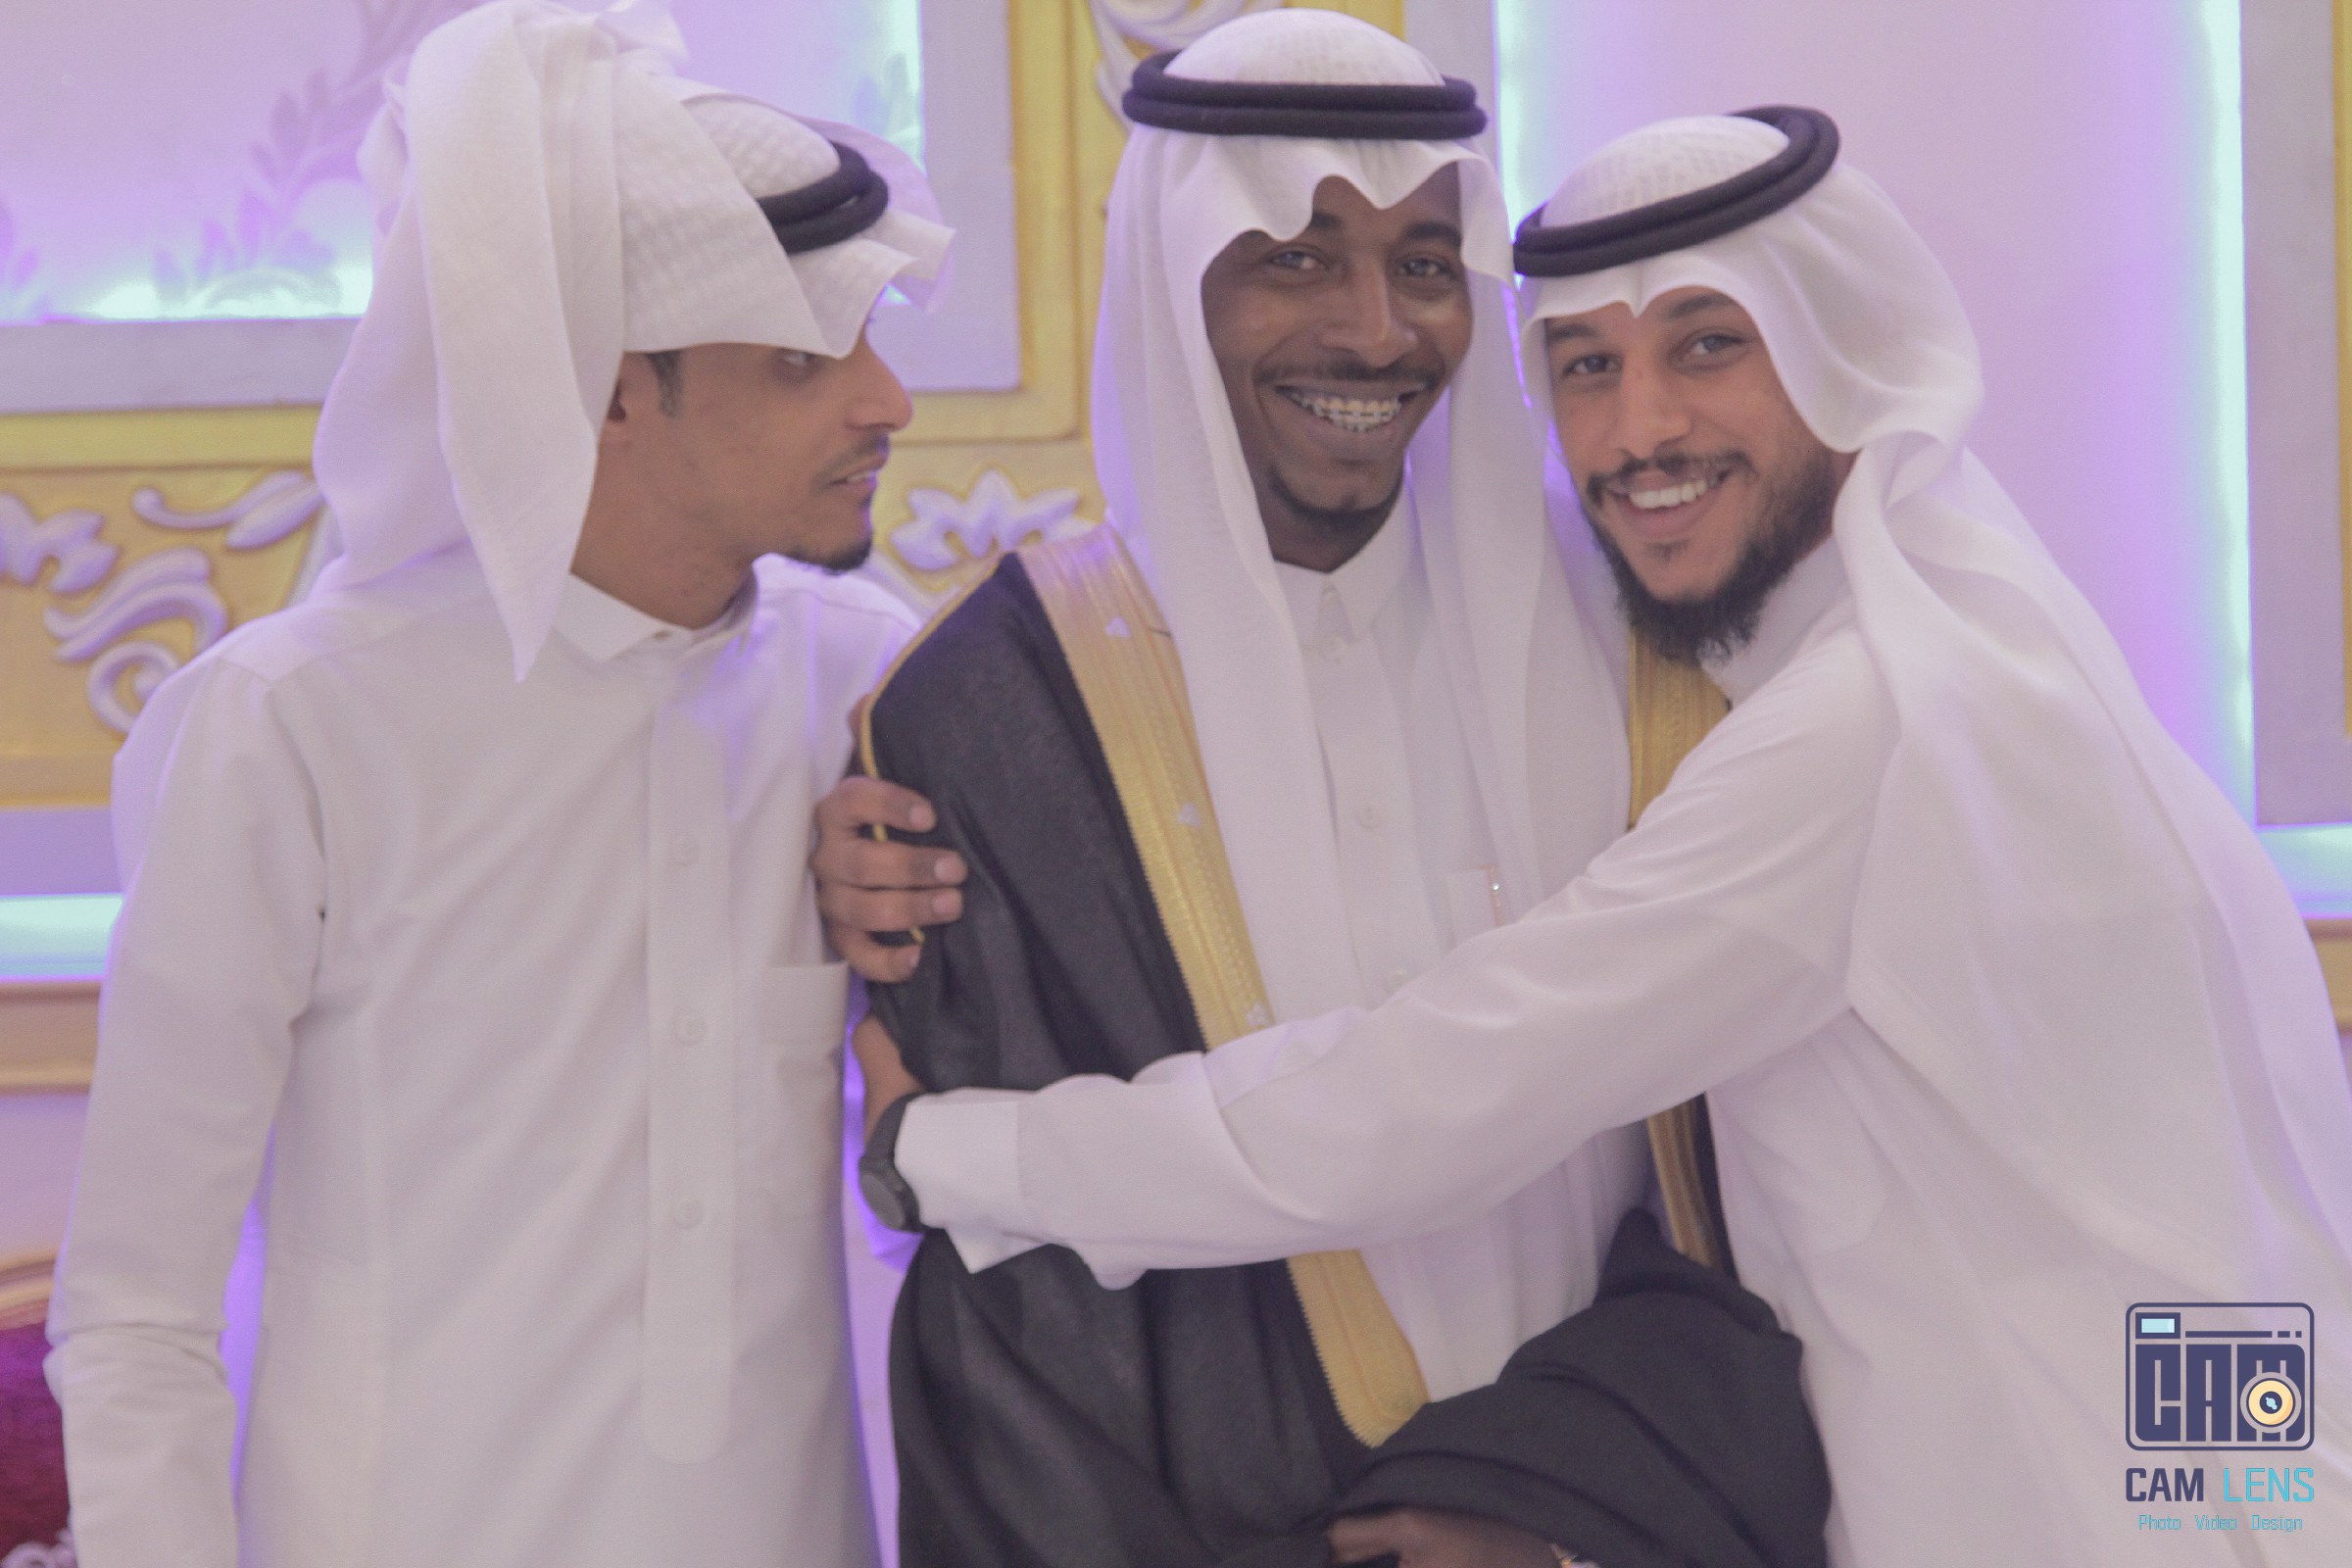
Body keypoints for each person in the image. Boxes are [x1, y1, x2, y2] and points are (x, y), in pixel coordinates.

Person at [857, 107, 2352, 1565]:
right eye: (1584, 365)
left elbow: (1428, 1100)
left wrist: (953, 1153)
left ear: (1848, 353)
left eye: (1709, 346)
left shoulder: (1869, 725)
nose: (1639, 432)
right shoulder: (1985, 643)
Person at [821, 14, 1825, 1568]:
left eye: (1426, 263)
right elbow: (1015, 1347)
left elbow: (1749, 1180)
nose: (1377, 331)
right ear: (1176, 284)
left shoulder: (1650, 635)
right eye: (1294, 258)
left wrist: (1570, 1513)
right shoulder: (989, 711)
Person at [43, 3, 949, 1564]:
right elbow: (137, 1311)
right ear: (608, 388)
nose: (887, 402)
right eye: (805, 358)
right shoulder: (294, 725)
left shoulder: (870, 685)